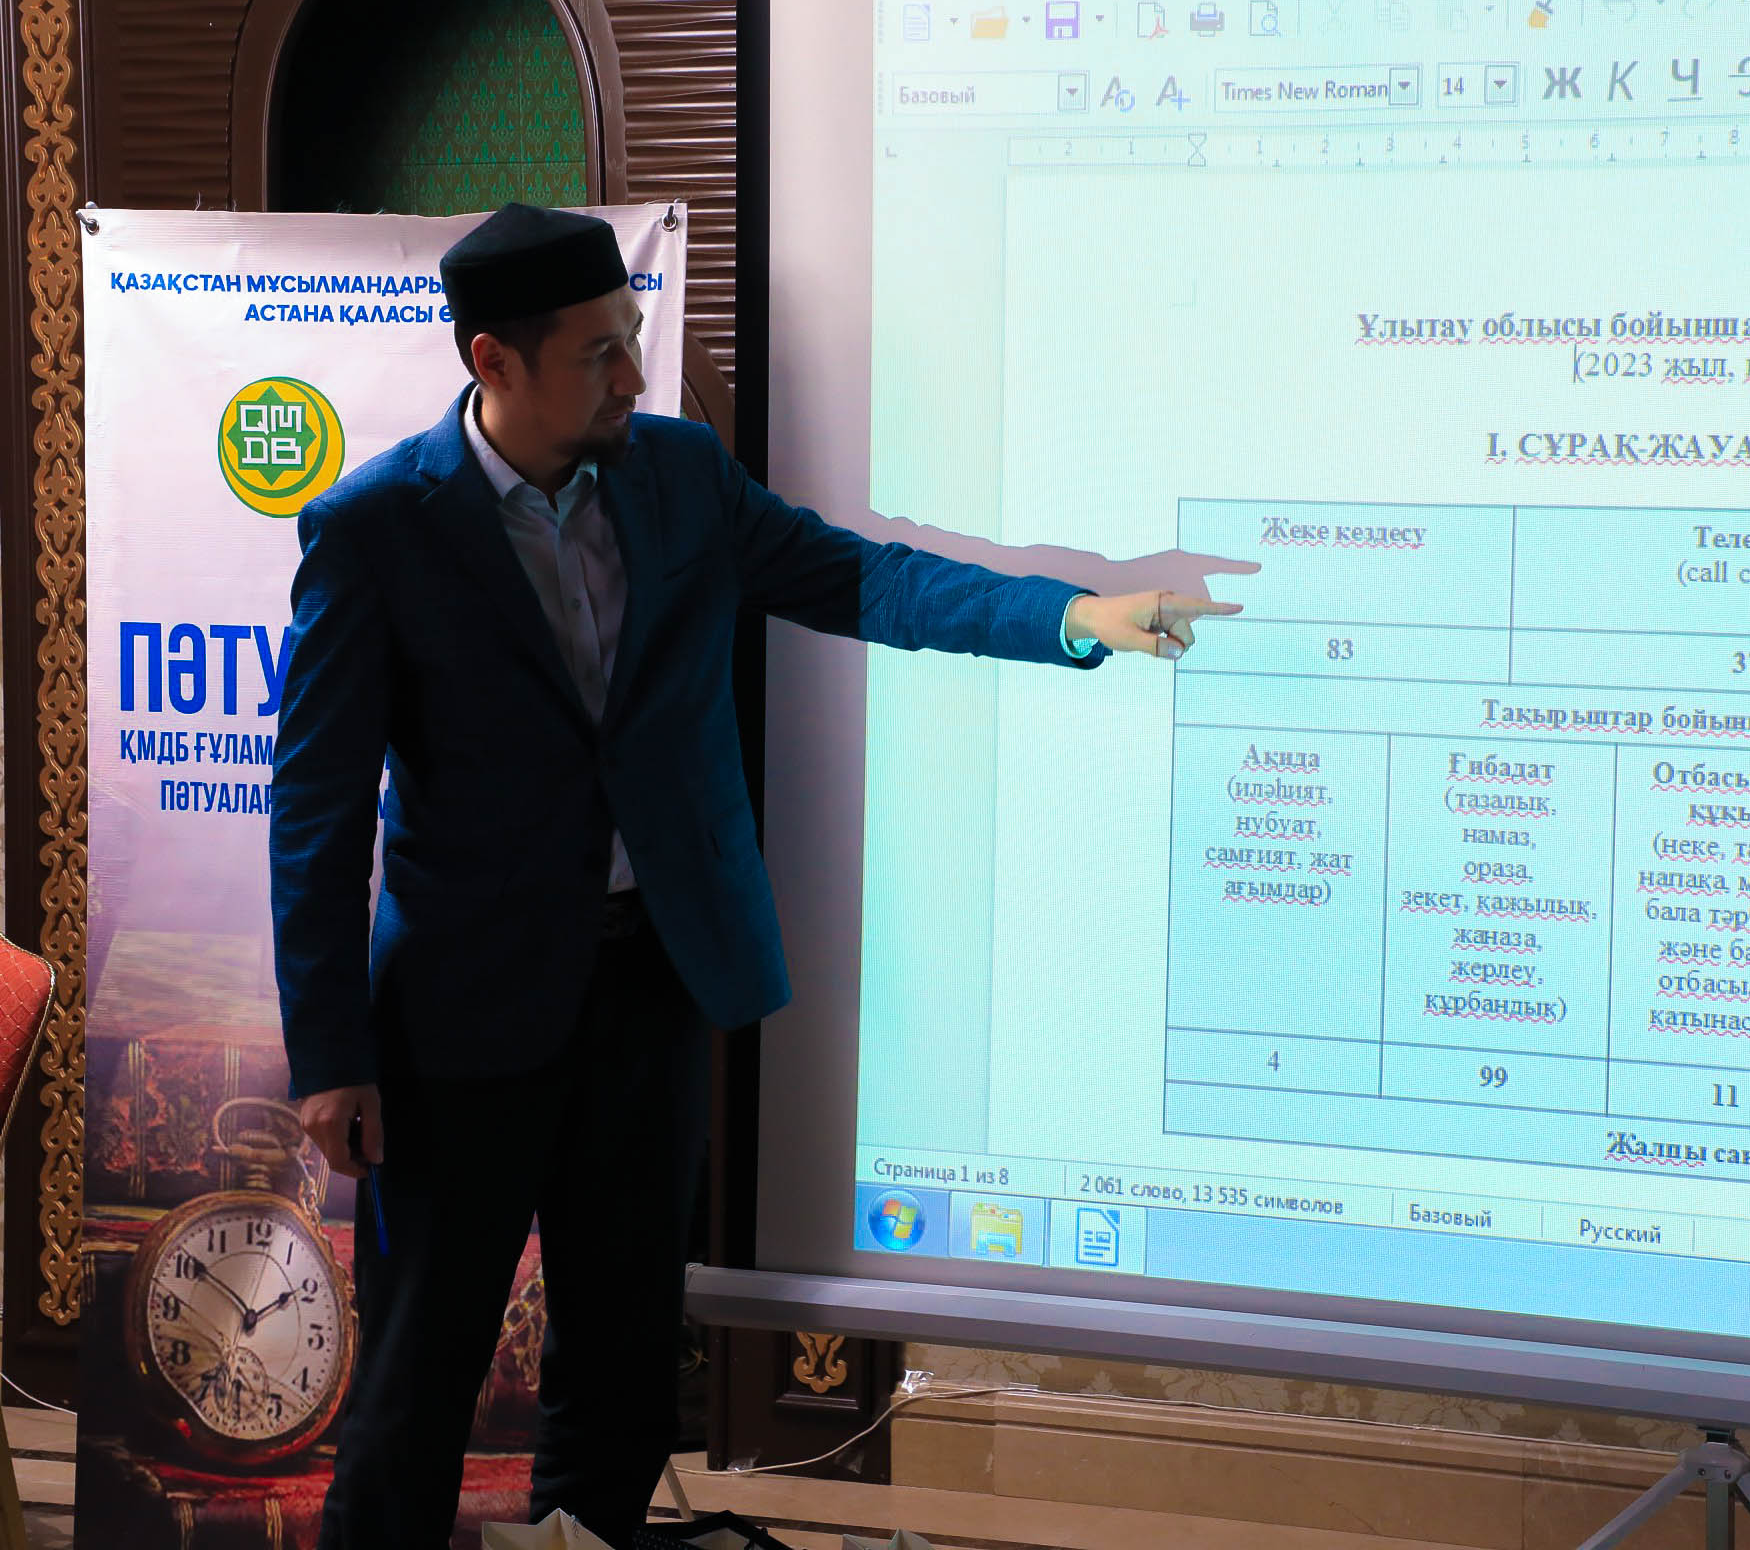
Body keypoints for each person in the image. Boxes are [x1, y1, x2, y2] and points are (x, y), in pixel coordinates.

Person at [269, 203, 1237, 1549]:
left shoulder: (680, 476)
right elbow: (315, 814)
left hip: (653, 987)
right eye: (599, 353)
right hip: (460, 1018)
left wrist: (1068, 615)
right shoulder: (376, 527)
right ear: (494, 361)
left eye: (634, 338)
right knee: (417, 1382)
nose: (633, 375)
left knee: (620, 1374)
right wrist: (330, 1055)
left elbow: (864, 581)